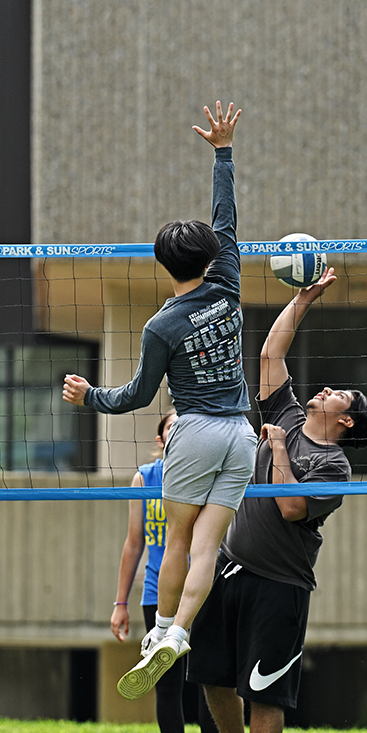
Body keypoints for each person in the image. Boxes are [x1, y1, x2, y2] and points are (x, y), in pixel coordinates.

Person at [62, 101, 257, 700]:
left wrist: (89, 395)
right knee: (208, 545)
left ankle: (160, 630)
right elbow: (226, 220)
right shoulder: (229, 282)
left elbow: (138, 396)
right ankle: (179, 631)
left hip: (194, 431)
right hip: (242, 436)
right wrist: (223, 153)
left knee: (174, 539)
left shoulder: (160, 326)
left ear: (162, 264)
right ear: (210, 258)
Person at [190, 268, 367, 733]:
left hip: (281, 582)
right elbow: (271, 355)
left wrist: (274, 452)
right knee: (211, 674)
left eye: (340, 395)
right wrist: (303, 298)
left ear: (346, 421)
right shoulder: (290, 418)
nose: (327, 390)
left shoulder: (333, 466)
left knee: (265, 686)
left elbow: (292, 508)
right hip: (230, 567)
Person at [112, 410, 224, 733]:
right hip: (158, 594)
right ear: (161, 439)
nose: (179, 432)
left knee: (208, 675)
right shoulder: (145, 478)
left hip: (202, 590)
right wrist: (120, 602)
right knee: (167, 681)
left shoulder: (210, 475)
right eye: (171, 428)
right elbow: (133, 544)